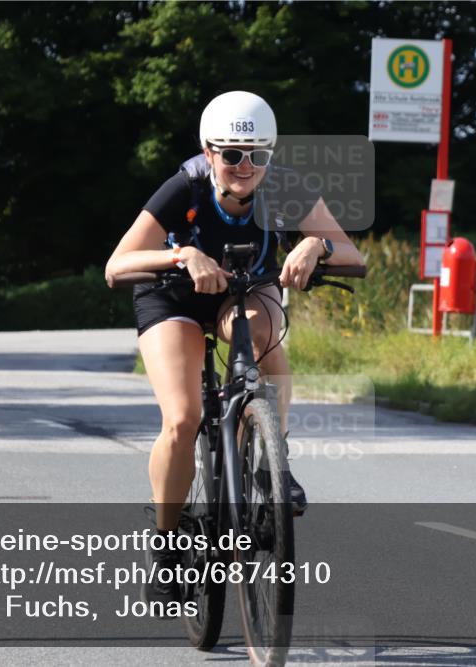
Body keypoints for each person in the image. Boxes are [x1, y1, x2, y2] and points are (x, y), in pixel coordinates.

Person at [105, 91, 365, 605]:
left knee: (266, 328)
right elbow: (117, 264)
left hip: (245, 286)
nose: (244, 167)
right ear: (208, 152)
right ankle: (166, 545)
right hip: (173, 294)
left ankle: (272, 458)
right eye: (230, 154)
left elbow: (354, 255)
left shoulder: (287, 188)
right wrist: (181, 256)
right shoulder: (185, 186)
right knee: (182, 419)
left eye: (257, 156)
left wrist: (317, 244)